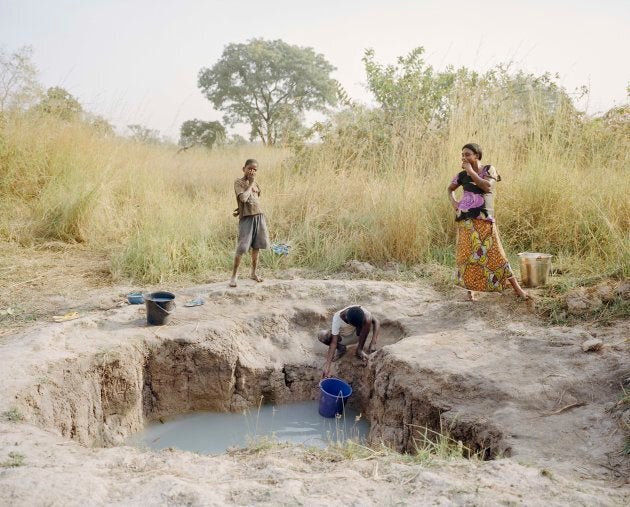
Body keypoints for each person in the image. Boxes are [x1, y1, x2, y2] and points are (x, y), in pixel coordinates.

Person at [447, 143, 529, 301]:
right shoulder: (461, 175)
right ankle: (470, 290)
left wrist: (470, 171)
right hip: (465, 221)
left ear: (477, 155)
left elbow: (487, 187)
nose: (464, 157)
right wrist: (454, 202)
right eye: (462, 155)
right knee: (467, 256)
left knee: (497, 254)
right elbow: (449, 189)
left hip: (485, 220)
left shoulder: (489, 169)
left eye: (467, 154)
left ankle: (518, 290)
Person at [229, 159, 270, 287]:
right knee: (241, 248)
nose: (252, 171)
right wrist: (250, 184)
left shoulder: (256, 184)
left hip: (259, 217)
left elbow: (255, 200)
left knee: (256, 247)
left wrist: (253, 184)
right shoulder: (239, 182)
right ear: (244, 169)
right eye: (249, 168)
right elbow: (244, 198)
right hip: (246, 219)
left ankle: (253, 273)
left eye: (254, 170)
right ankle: (234, 276)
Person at [318, 305, 380, 378]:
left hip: (359, 336)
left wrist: (373, 342)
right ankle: (341, 348)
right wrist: (327, 367)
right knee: (322, 335)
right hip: (343, 338)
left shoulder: (363, 312)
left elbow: (376, 321)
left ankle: (359, 350)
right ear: (348, 321)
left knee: (368, 320)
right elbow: (334, 343)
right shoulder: (337, 318)